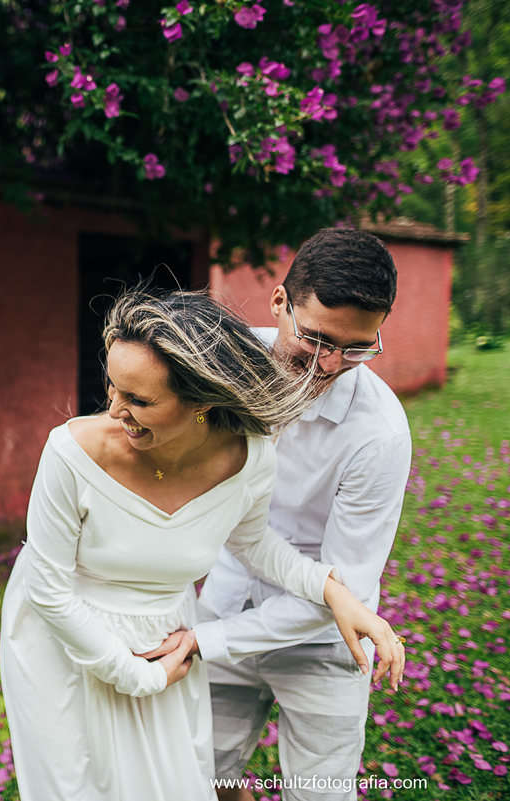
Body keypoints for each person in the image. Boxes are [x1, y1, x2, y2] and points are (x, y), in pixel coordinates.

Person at [0, 288, 405, 801]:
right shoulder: (70, 452)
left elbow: (255, 545)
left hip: (162, 641)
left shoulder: (251, 459)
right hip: (64, 645)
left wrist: (332, 591)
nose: (114, 410)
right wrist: (137, 676)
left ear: (201, 402)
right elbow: (48, 592)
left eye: (139, 400)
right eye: (113, 387)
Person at [190, 229, 412, 801]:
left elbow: (347, 587)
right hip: (223, 601)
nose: (329, 364)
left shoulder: (380, 434)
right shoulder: (225, 366)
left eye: (356, 348)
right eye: (315, 338)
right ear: (279, 303)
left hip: (324, 639)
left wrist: (206, 640)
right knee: (203, 778)